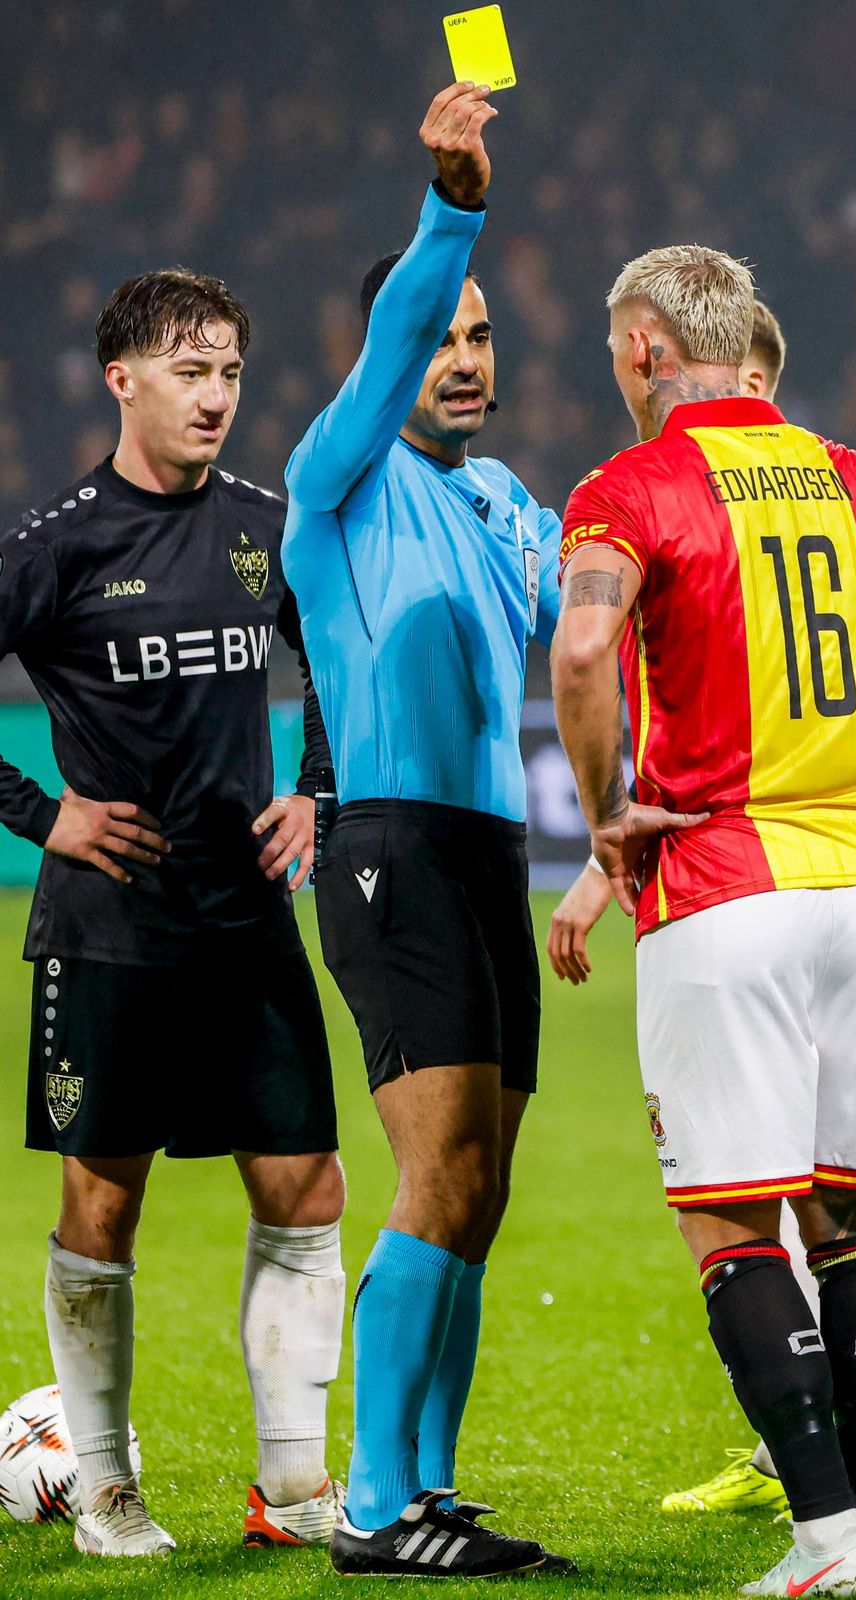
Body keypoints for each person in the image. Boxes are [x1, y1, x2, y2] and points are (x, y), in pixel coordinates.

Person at [551, 246, 856, 1595]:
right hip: (850, 889)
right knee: (853, 1225)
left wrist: (603, 814)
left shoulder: (632, 486)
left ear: (646, 349)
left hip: (722, 886)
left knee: (736, 1230)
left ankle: (820, 1539)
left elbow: (586, 651)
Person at [0, 270, 346, 1558]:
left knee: (306, 1186)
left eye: (232, 375)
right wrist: (46, 815)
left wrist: (314, 789)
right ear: (123, 380)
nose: (217, 399)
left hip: (245, 920)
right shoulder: (60, 545)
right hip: (111, 929)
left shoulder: (268, 524)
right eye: (190, 373)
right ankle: (103, 1487)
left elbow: (335, 663)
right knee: (106, 1202)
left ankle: (296, 1491)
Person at [282, 84, 570, 1580]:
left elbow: (570, 630)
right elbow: (388, 340)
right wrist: (451, 211)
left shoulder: (513, 501)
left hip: (488, 856)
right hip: (388, 849)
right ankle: (375, 1505)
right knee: (438, 1170)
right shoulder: (337, 480)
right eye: (436, 338)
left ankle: (433, 1489)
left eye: (478, 337)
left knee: (485, 1185)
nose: (460, 359)